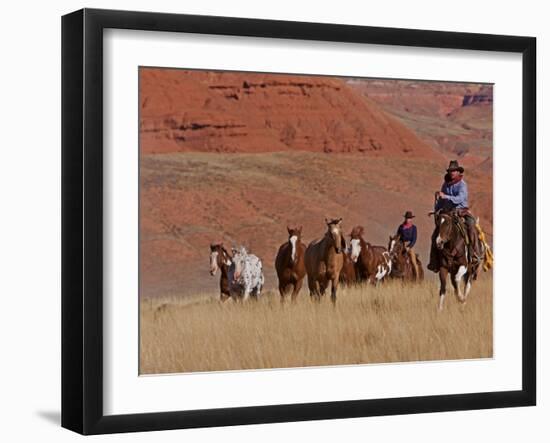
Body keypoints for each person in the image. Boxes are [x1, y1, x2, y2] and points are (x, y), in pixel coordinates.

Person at [427, 160, 480, 272]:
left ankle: (475, 254)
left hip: (461, 211)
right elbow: (441, 201)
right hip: (447, 213)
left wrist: (446, 196)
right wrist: (436, 210)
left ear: (458, 172)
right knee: (436, 235)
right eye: (451, 171)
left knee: (471, 227)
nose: (452, 173)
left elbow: (460, 198)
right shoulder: (445, 184)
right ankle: (434, 261)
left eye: (454, 171)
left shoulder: (462, 185)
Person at [396, 211, 420, 279]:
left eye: (409, 218)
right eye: (407, 218)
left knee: (413, 261)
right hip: (402, 245)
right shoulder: (401, 227)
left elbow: (414, 239)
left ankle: (417, 277)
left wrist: (409, 246)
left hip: (410, 246)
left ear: (411, 219)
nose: (408, 220)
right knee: (396, 257)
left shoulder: (414, 228)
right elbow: (398, 236)